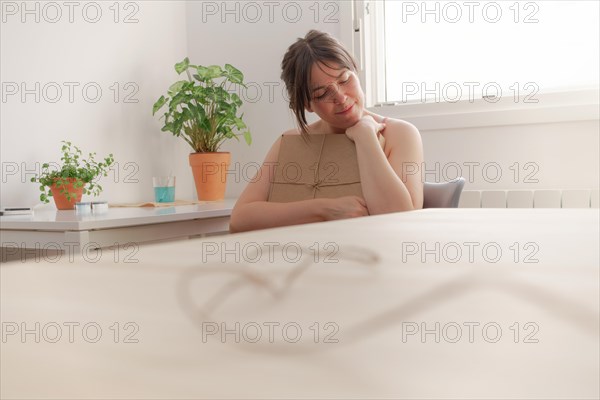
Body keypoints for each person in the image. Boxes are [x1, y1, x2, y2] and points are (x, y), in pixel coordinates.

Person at [229, 30, 423, 233]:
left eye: (345, 79)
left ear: (356, 71)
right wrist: (325, 209)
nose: (340, 97)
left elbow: (401, 219)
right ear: (307, 105)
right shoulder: (290, 142)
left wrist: (365, 136)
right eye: (322, 93)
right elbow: (239, 219)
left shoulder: (400, 134)